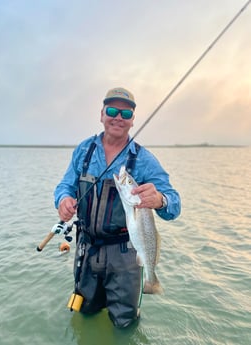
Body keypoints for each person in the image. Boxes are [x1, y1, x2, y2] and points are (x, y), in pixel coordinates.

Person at [54, 87, 181, 328]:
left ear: (133, 120)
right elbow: (65, 185)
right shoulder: (84, 150)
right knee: (86, 313)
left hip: (126, 254)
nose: (118, 117)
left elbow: (175, 205)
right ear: (101, 114)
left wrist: (160, 200)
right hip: (87, 248)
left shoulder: (144, 159)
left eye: (126, 113)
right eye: (112, 111)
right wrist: (63, 200)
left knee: (125, 323)